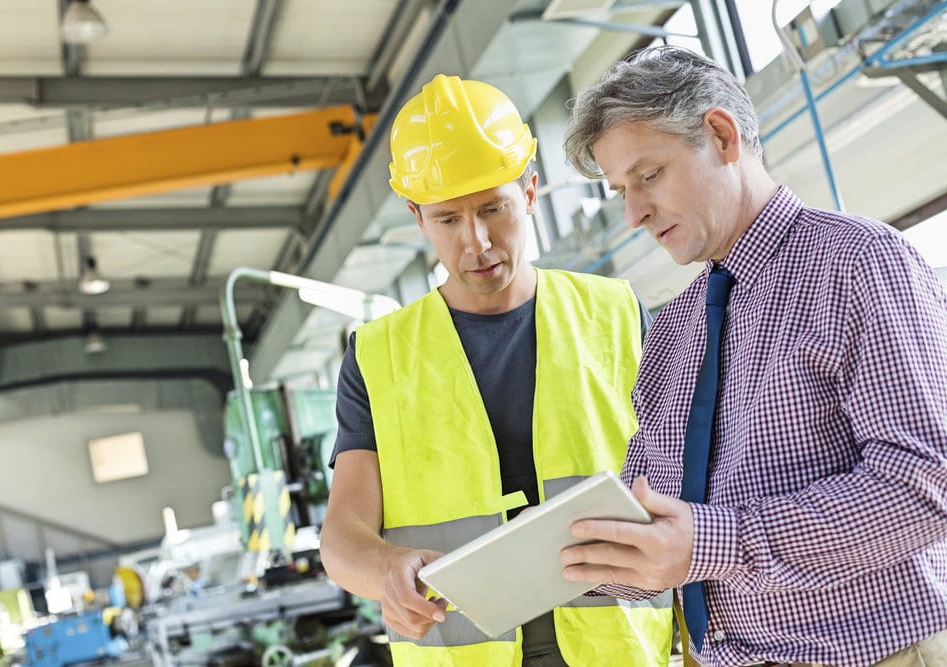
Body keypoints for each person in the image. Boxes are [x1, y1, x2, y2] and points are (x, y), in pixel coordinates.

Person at [559, 45, 947, 667]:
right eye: (620, 191)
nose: (634, 213)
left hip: (878, 652)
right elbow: (668, 532)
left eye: (648, 175)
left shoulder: (859, 263)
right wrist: (566, 561)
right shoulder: (672, 331)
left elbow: (927, 481)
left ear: (720, 134)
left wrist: (715, 542)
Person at [319, 73, 673, 666]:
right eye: (448, 220)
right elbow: (342, 536)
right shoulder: (377, 357)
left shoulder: (616, 313)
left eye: (493, 208)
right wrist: (385, 571)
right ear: (417, 217)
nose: (477, 242)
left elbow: (685, 476)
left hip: (622, 649)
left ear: (530, 191)